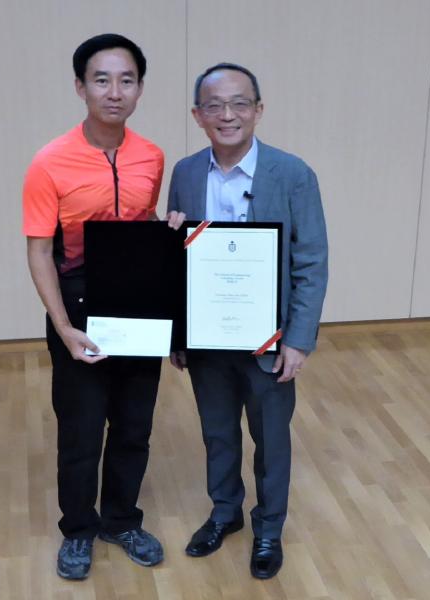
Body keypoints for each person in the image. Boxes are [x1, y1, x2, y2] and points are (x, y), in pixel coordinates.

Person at [23, 33, 182, 581]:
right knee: (82, 429)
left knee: (135, 424)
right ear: (80, 86)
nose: (114, 92)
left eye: (127, 80)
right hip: (77, 303)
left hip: (137, 300)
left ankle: (121, 520)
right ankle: (78, 530)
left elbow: (141, 231)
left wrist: (170, 233)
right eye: (101, 79)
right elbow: (39, 250)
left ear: (139, 89)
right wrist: (64, 328)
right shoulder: (50, 162)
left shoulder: (152, 156)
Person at [166, 63, 328, 579]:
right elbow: (175, 261)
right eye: (214, 105)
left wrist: (298, 341)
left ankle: (269, 527)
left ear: (258, 110)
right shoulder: (187, 173)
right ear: (198, 115)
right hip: (208, 339)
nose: (227, 115)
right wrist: (178, 334)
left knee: (271, 436)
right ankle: (224, 513)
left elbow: (311, 261)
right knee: (217, 432)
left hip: (270, 339)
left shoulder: (293, 173)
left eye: (240, 103)